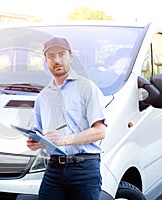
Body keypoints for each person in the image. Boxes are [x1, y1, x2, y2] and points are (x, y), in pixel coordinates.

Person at [27, 37, 107, 200]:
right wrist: (34, 142)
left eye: (61, 54)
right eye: (51, 56)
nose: (57, 60)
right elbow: (37, 133)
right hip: (54, 169)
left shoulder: (87, 88)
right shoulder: (43, 96)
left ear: (71, 56)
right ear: (46, 61)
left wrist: (63, 140)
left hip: (84, 168)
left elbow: (100, 132)